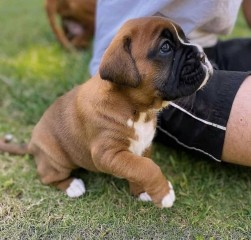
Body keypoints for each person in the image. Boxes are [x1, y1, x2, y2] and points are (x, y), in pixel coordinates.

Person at [89, 0, 251, 166]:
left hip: (200, 45)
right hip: (147, 80)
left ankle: (176, 44)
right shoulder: (125, 63)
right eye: (165, 47)